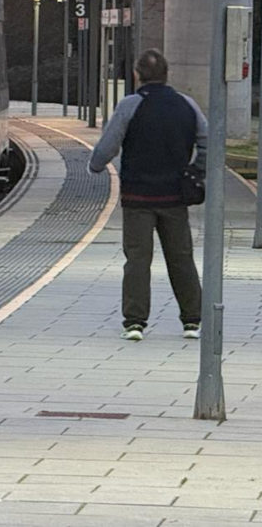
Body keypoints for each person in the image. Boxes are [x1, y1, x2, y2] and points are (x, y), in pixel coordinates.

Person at [88, 48, 207, 342]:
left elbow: (110, 143)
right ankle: (192, 320)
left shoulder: (130, 105)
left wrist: (95, 165)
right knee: (181, 258)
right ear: (167, 75)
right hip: (175, 197)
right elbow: (207, 141)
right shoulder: (187, 105)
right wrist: (196, 171)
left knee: (138, 260)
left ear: (137, 75)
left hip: (138, 198)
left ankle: (135, 322)